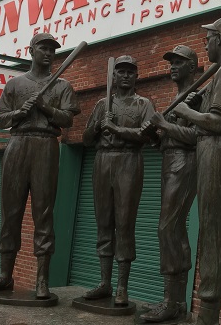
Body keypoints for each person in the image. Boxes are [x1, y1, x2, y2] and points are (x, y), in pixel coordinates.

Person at [0, 32, 80, 299]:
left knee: (43, 213)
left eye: (52, 49)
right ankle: (4, 277)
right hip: (17, 144)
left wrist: (44, 107)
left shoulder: (62, 85)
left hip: (46, 145)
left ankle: (42, 280)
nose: (48, 53)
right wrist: (19, 113)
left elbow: (67, 121)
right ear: (31, 50)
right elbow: (0, 121)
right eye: (43, 48)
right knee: (10, 213)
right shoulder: (15, 83)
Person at [172, 17, 221, 325]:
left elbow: (219, 123)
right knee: (210, 231)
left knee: (213, 235)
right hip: (211, 149)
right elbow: (213, 114)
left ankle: (208, 315)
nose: (205, 43)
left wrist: (185, 110)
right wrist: (200, 101)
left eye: (209, 38)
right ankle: (209, 311)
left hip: (218, 149)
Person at [81, 55, 156, 306]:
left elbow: (148, 135)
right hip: (103, 161)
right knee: (103, 223)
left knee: (124, 224)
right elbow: (86, 139)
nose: (125, 75)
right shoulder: (103, 104)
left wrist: (116, 130)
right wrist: (98, 127)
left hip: (129, 161)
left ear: (136, 76)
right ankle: (104, 282)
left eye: (130, 72)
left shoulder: (144, 103)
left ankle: (122, 286)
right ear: (114, 76)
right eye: (121, 71)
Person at [141, 45, 199, 322]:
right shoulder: (177, 97)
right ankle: (173, 299)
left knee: (168, 227)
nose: (172, 66)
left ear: (192, 67)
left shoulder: (199, 95)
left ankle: (173, 301)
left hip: (185, 162)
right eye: (171, 62)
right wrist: (154, 135)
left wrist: (164, 124)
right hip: (169, 160)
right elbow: (167, 138)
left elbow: (196, 136)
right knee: (170, 229)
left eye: (179, 62)